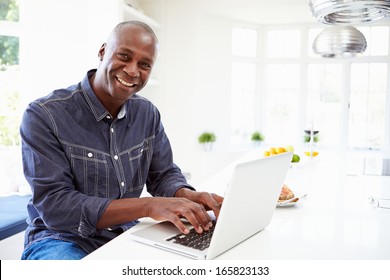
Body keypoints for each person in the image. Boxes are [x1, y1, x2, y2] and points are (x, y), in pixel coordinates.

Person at [20, 21, 223, 260]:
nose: (133, 70)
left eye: (144, 64)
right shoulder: (44, 114)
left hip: (125, 233)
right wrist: (149, 206)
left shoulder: (147, 114)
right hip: (59, 240)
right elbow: (57, 206)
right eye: (124, 56)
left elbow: (164, 174)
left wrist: (185, 195)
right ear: (103, 51)